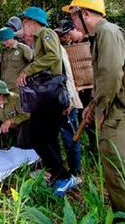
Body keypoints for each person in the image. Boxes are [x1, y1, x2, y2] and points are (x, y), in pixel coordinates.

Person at [64, 0, 125, 219]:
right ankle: (122, 215)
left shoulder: (107, 32)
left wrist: (100, 108)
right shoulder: (100, 36)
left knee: (118, 173)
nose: (73, 22)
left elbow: (112, 75)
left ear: (85, 13)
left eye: (74, 17)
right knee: (113, 171)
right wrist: (94, 104)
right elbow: (105, 78)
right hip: (120, 109)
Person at [16, 6, 76, 197]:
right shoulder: (38, 39)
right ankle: (59, 176)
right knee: (49, 138)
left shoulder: (45, 33)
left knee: (37, 137)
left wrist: (28, 70)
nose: (23, 28)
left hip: (49, 96)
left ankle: (65, 176)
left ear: (33, 23)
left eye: (25, 23)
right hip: (47, 95)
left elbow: (53, 56)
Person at [55, 25, 84, 180]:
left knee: (69, 137)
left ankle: (75, 172)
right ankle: (61, 169)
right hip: (56, 101)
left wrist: (69, 100)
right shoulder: (52, 50)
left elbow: (65, 78)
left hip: (66, 101)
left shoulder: (56, 50)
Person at [0, 27, 32, 93]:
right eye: (2, 41)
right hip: (4, 87)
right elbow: (2, 68)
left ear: (11, 37)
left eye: (5, 40)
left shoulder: (23, 49)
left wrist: (25, 75)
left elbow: (33, 64)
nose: (4, 43)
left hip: (17, 87)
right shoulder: (4, 51)